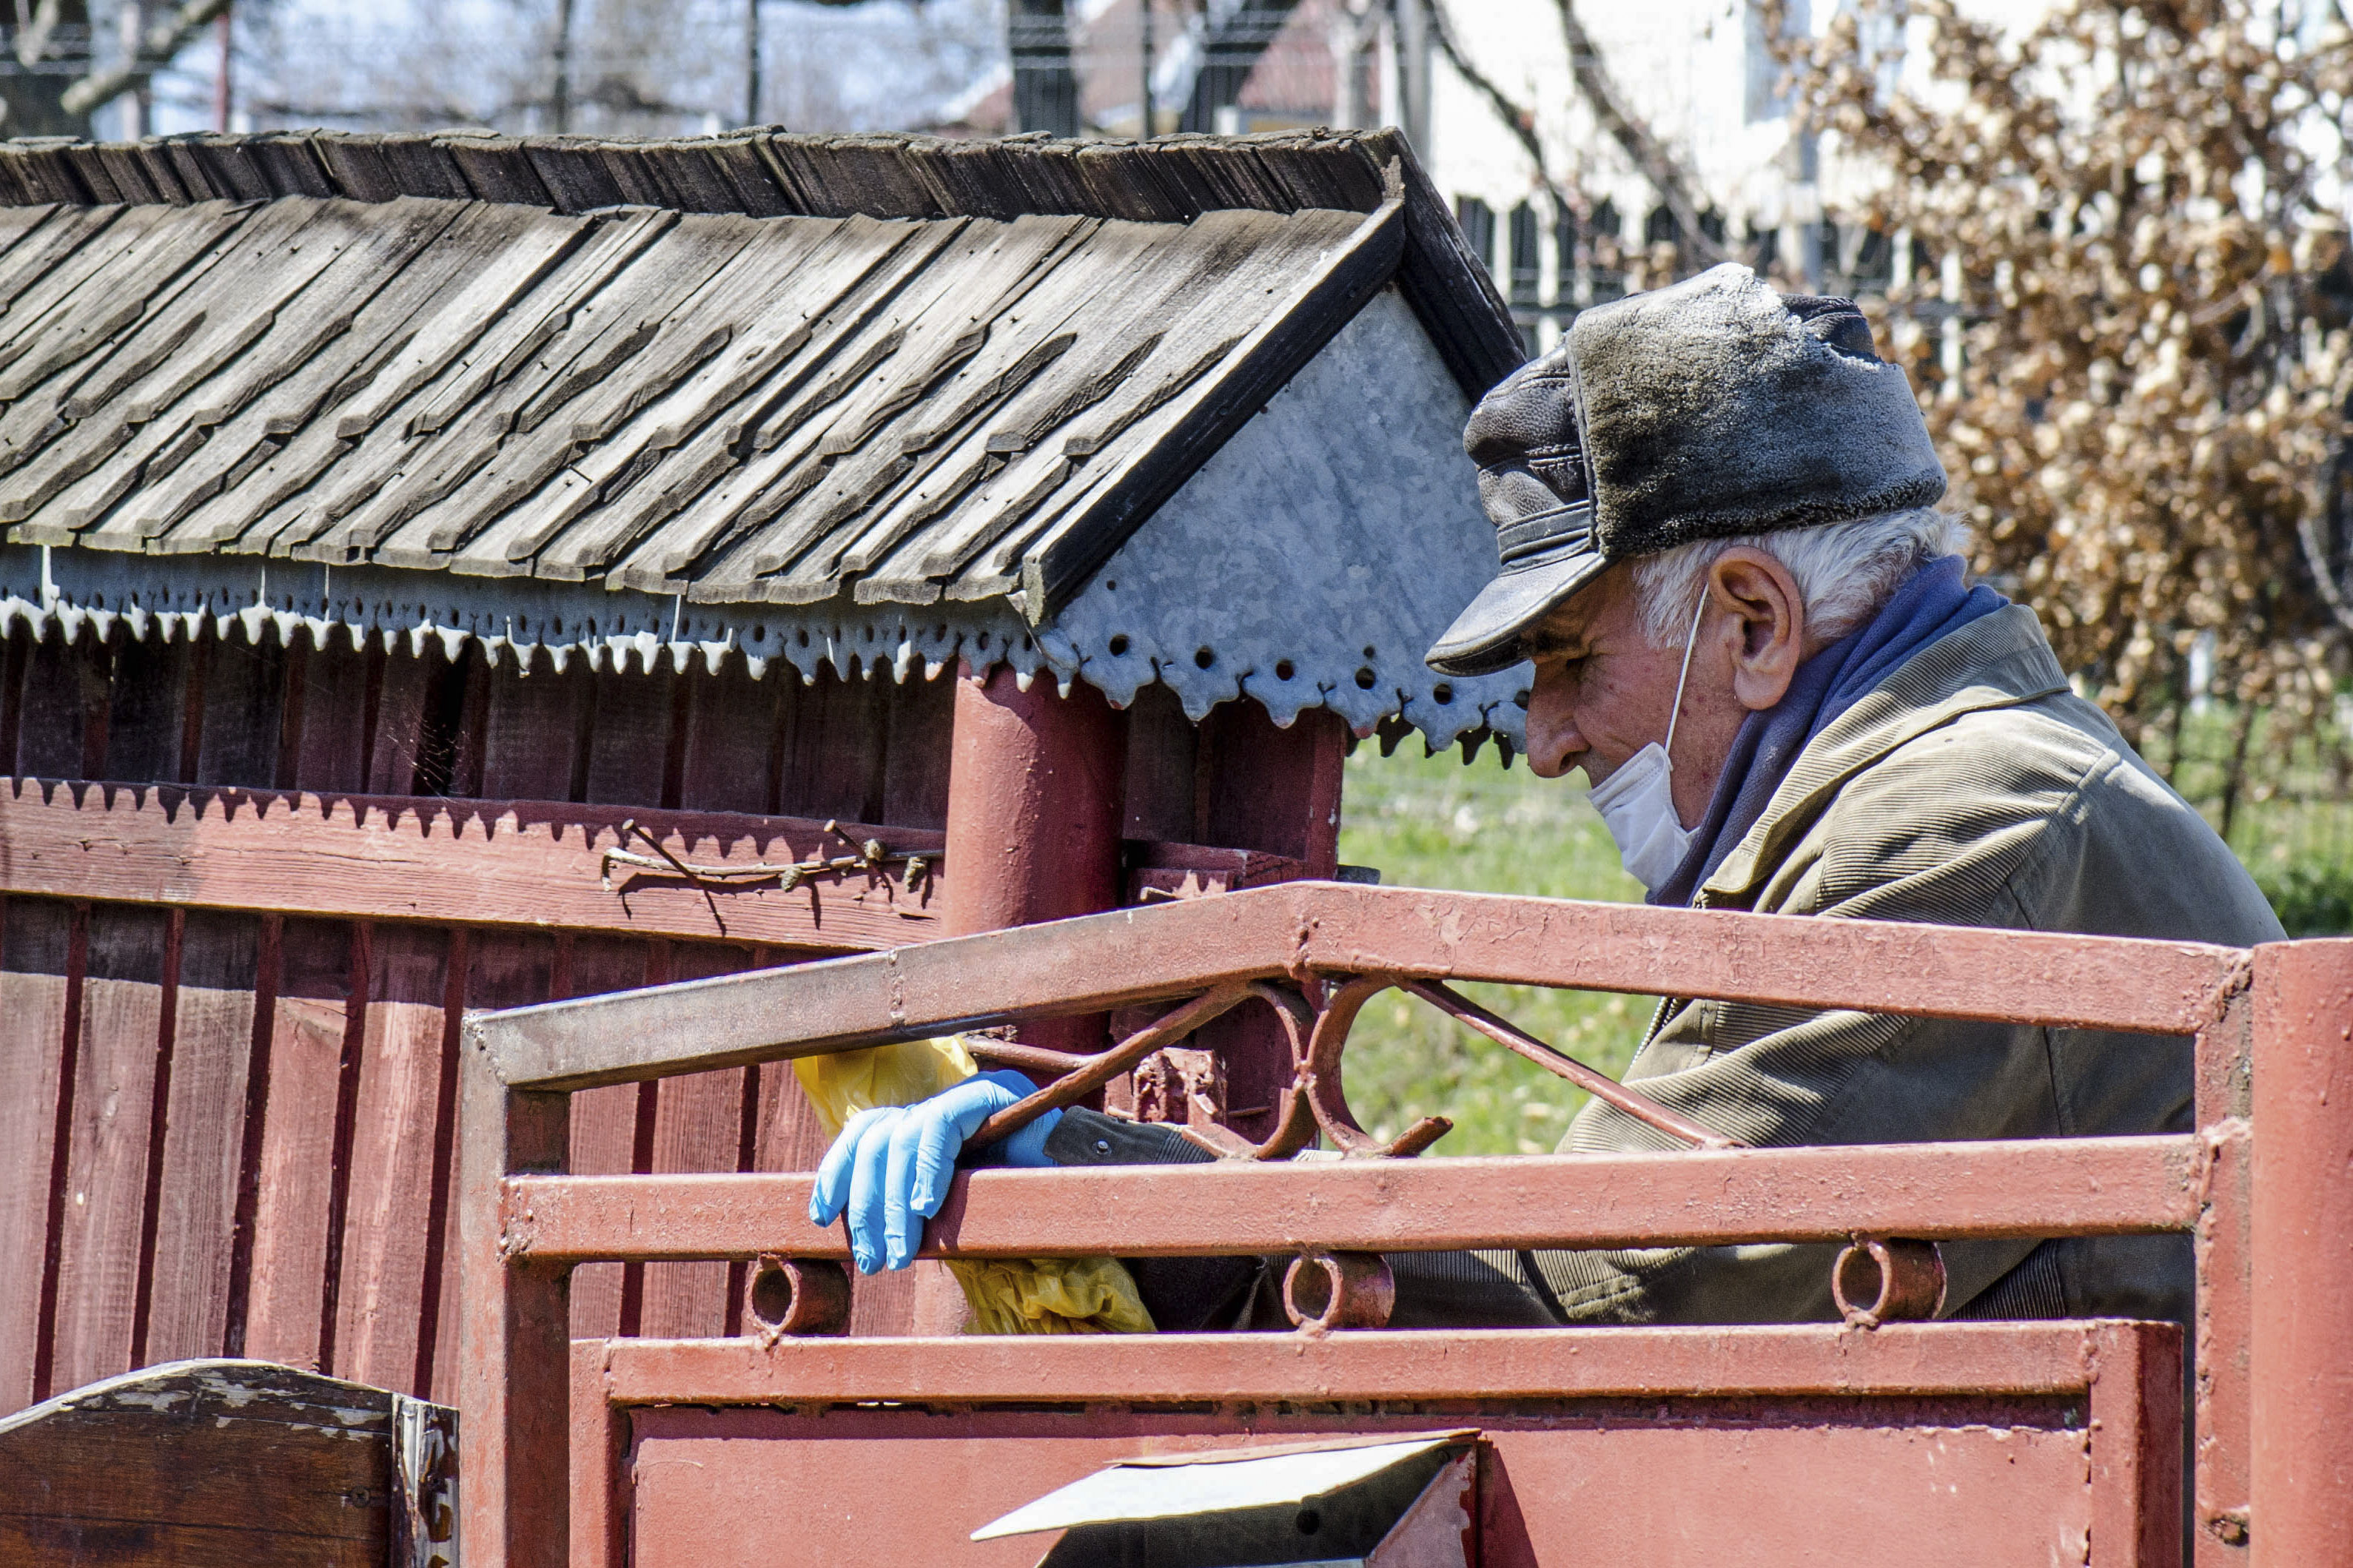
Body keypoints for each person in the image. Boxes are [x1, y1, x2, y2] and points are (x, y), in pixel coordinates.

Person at [809, 263, 2284, 1331]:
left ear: (1757, 623)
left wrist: (1083, 1160)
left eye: (1569, 662)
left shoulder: (1953, 831)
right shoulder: (1936, 783)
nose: (1543, 742)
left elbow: (1597, 1289)